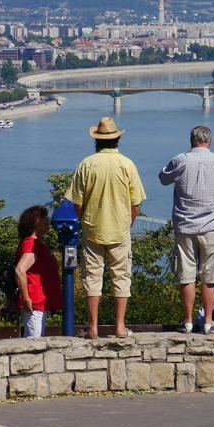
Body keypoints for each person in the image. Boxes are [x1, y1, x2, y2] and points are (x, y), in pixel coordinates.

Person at [65, 117, 146, 339]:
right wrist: (126, 222)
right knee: (121, 276)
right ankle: (120, 326)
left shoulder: (86, 164)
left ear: (96, 140)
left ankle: (92, 327)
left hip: (92, 229)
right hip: (120, 230)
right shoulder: (127, 165)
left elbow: (77, 203)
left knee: (92, 277)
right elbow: (136, 203)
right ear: (117, 138)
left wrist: (85, 221)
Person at [160, 125, 214, 335]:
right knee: (210, 276)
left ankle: (186, 321)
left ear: (191, 140)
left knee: (186, 275)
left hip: (185, 226)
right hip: (212, 226)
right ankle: (208, 322)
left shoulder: (180, 160)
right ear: (210, 141)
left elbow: (163, 178)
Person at [14, 205, 62, 338]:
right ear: (36, 221)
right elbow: (20, 270)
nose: (48, 221)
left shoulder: (36, 243)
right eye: (44, 218)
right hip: (35, 302)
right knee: (34, 342)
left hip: (39, 302)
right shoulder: (31, 243)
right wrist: (26, 298)